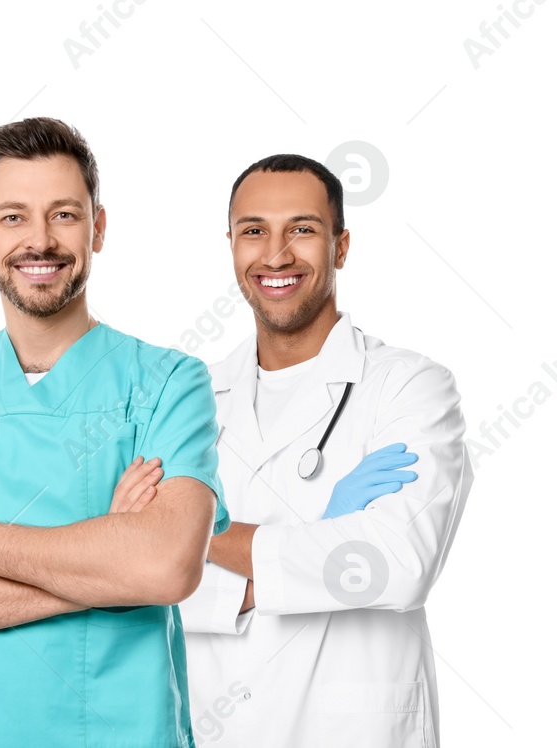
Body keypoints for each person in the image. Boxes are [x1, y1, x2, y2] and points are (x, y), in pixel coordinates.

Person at [0, 117, 228, 746]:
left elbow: (164, 566)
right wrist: (105, 567)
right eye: (12, 217)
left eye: (64, 215)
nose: (40, 241)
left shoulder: (168, 382)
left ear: (98, 228)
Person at [177, 154, 471, 746]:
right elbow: (142, 586)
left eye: (302, 230)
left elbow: (397, 565)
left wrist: (196, 534)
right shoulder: (189, 399)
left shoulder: (409, 387)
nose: (276, 254)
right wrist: (322, 539)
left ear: (340, 247)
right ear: (231, 245)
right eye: (254, 230)